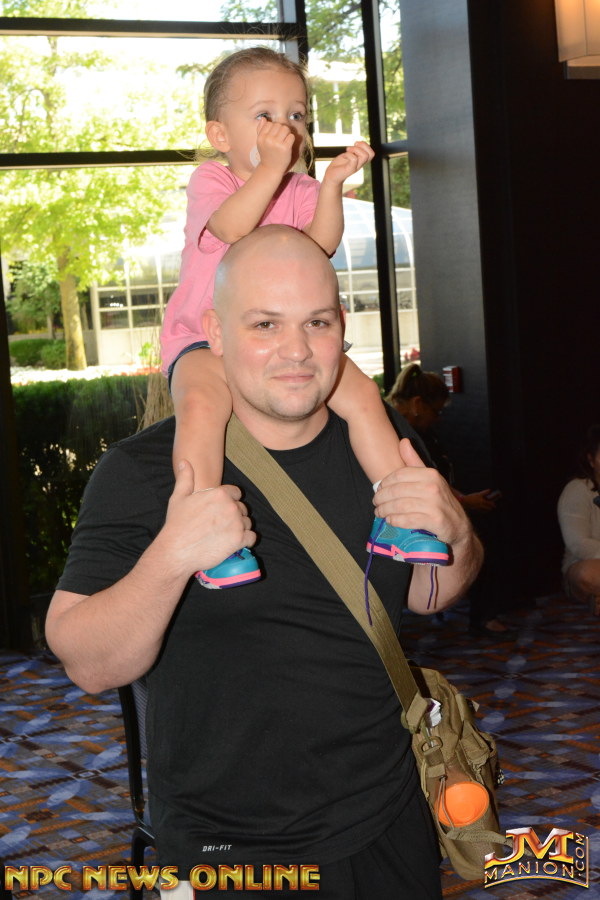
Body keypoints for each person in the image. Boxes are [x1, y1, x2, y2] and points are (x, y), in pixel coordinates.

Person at [46, 227, 482, 900]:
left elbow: (433, 592)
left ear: (342, 328)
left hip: (388, 825)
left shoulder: (386, 444)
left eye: (317, 322)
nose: (296, 350)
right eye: (265, 325)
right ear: (215, 334)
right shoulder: (142, 471)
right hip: (229, 848)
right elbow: (88, 662)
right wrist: (172, 557)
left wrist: (458, 530)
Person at [159, 46, 449, 589]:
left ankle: (398, 514)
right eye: (264, 115)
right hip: (201, 337)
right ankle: (205, 533)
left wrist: (332, 184)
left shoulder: (298, 189)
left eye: (296, 115)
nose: (285, 129)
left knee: (363, 397)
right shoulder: (213, 181)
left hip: (282, 340)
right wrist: (272, 168)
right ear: (220, 134)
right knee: (201, 407)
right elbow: (231, 230)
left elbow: (320, 246)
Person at [386, 363, 511, 637]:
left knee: (490, 521)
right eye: (437, 411)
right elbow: (413, 488)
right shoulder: (395, 434)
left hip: (423, 509)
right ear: (417, 404)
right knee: (480, 534)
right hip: (401, 518)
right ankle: (483, 616)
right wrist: (463, 504)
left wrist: (463, 500)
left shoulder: (421, 435)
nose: (439, 419)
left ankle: (486, 609)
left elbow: (436, 482)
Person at [557, 424, 600, 615]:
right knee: (588, 574)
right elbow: (578, 544)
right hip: (588, 563)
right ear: (591, 460)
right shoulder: (578, 489)